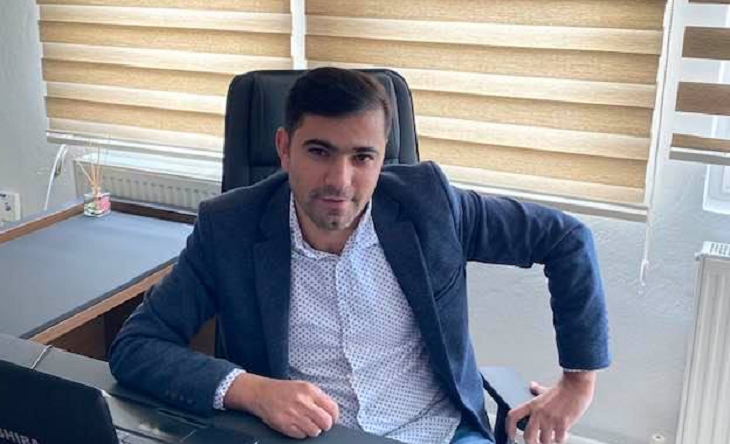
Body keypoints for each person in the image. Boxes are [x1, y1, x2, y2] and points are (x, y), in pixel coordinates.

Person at [109, 67, 609, 444]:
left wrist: (577, 385)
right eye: (319, 151)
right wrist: (252, 390)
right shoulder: (230, 228)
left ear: (383, 155)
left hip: (436, 432)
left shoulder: (431, 205)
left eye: (362, 157)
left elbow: (566, 239)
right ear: (284, 148)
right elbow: (137, 346)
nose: (340, 181)